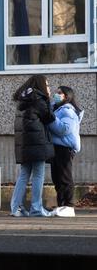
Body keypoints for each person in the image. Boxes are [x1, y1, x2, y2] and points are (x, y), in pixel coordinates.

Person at [11, 75, 55, 217]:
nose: (48, 88)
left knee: (24, 175)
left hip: (25, 143)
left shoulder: (24, 98)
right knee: (38, 175)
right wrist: (48, 99)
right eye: (47, 85)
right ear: (41, 85)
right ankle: (36, 208)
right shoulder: (39, 99)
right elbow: (49, 117)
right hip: (37, 142)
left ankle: (16, 208)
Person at [48, 86, 84, 217]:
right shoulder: (57, 108)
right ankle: (61, 205)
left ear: (66, 96)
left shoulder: (68, 110)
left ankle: (69, 206)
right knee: (57, 178)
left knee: (64, 177)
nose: (56, 95)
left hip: (65, 148)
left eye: (59, 93)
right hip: (57, 148)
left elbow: (64, 129)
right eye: (56, 92)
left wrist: (50, 119)